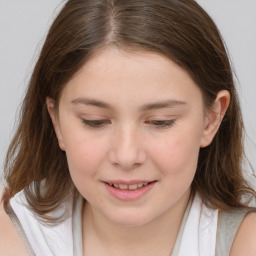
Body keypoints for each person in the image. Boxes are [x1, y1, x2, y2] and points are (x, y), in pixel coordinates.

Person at [0, 0, 256, 255]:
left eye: (160, 121)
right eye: (94, 121)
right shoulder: (12, 236)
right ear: (56, 121)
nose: (126, 156)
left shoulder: (245, 243)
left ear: (211, 119)